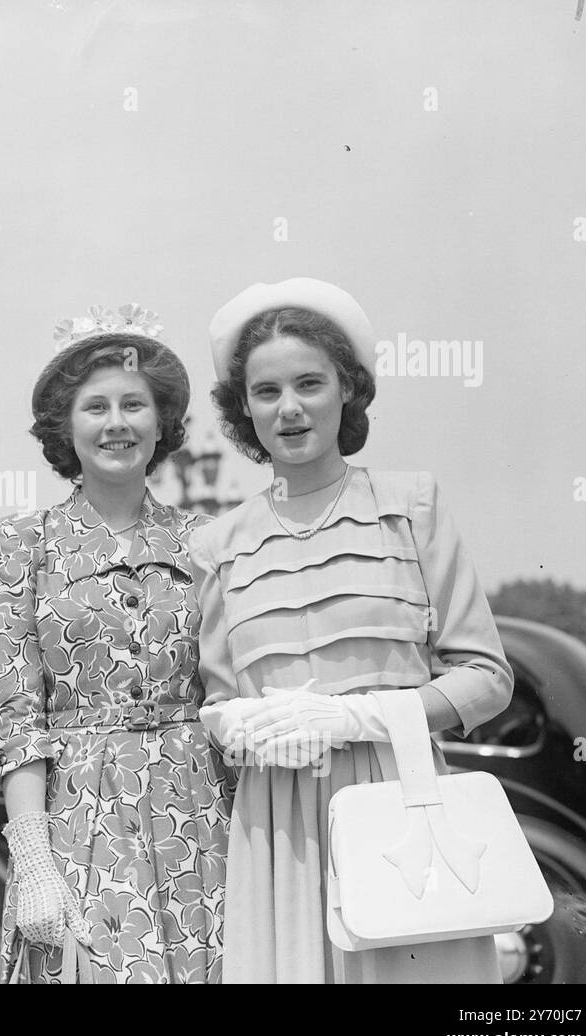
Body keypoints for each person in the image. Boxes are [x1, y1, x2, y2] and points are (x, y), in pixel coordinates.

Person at [190, 278, 514, 983]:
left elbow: (487, 678)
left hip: (400, 799)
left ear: (348, 390)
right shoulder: (216, 545)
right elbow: (217, 701)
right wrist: (242, 721)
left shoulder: (411, 506)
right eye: (266, 391)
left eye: (310, 382)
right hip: (276, 825)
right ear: (243, 410)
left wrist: (354, 716)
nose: (291, 407)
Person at [0, 306, 237, 984]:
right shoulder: (23, 544)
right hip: (79, 819)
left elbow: (230, 691)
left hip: (203, 811)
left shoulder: (208, 541)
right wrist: (33, 856)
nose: (116, 422)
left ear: (162, 423)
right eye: (95, 406)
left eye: (135, 404)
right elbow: (18, 716)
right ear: (65, 426)